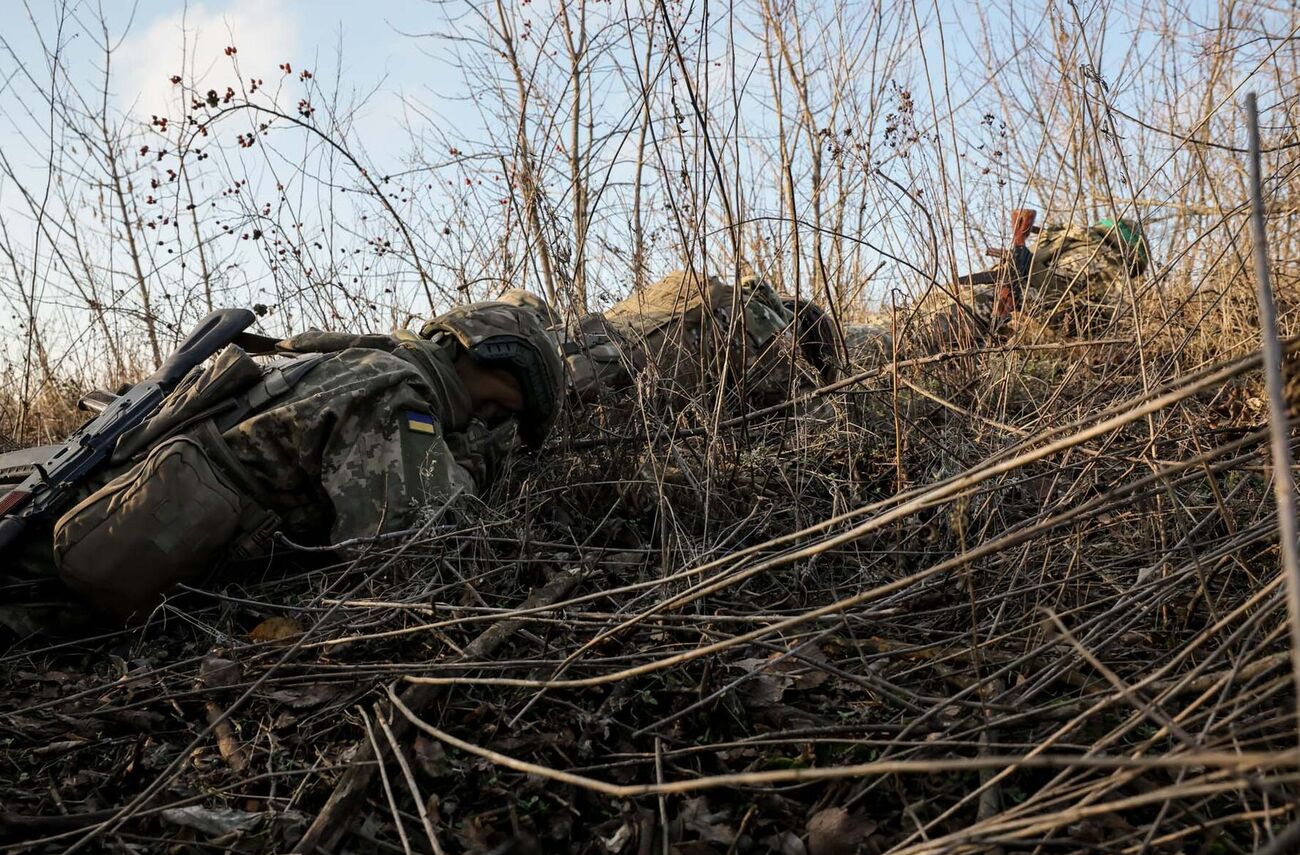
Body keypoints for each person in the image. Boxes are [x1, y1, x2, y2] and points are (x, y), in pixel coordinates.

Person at [0, 290, 563, 625]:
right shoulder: (394, 392)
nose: (502, 424)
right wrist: (479, 459)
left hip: (75, 542)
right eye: (505, 410)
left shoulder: (352, 362)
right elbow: (418, 550)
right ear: (499, 362)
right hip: (47, 594)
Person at [844, 217, 1150, 362]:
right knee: (916, 324)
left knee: (908, 334)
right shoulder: (1088, 250)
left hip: (1002, 309)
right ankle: (860, 341)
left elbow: (1072, 308)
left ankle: (859, 344)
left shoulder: (1096, 255)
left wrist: (1026, 274)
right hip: (999, 308)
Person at [557, 269, 839, 408]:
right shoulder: (761, 317)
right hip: (594, 391)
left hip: (562, 348)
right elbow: (810, 413)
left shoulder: (689, 286)